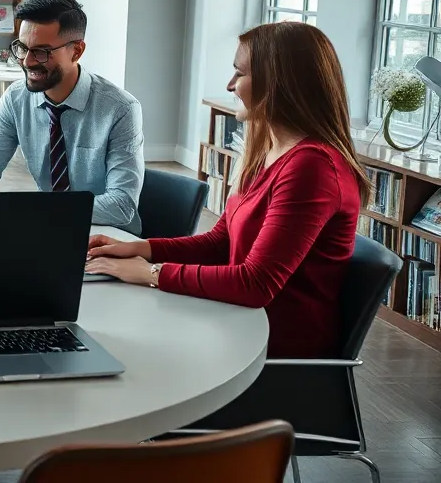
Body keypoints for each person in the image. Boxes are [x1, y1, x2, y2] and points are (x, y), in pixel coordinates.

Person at [86, 22, 364, 358]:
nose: (230, 85)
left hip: (273, 350)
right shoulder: (268, 151)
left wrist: (152, 273)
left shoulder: (313, 168)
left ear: (279, 84)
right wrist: (140, 249)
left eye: (240, 73)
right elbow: (221, 242)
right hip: (236, 323)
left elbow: (256, 284)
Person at [0, 0, 145, 233]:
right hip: (48, 227)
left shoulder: (121, 109)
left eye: (42, 52)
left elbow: (121, 206)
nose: (28, 61)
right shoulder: (15, 98)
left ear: (76, 51)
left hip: (107, 235)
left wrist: (42, 209)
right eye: (22, 48)